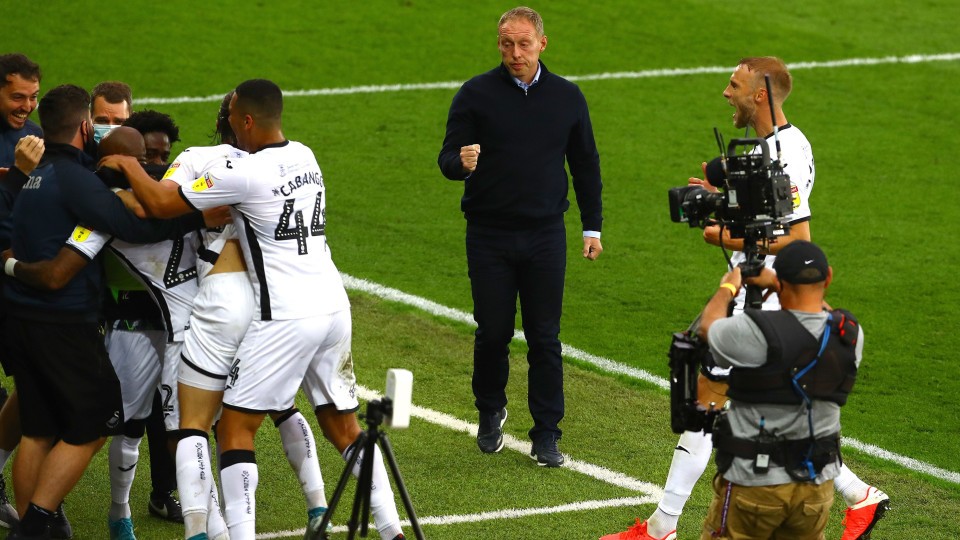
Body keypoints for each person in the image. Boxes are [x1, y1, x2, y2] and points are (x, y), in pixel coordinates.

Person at [601, 57, 887, 540]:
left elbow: (797, 239)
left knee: (708, 405)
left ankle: (660, 528)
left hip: (763, 297)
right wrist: (723, 199)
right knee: (773, 410)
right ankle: (860, 496)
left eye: (734, 85)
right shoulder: (779, 145)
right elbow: (769, 218)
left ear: (761, 93)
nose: (726, 93)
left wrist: (722, 236)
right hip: (760, 291)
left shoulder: (786, 154)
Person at [115, 79, 406, 540]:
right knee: (344, 427)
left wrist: (127, 165)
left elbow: (159, 203)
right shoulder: (306, 156)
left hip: (286, 316)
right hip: (334, 306)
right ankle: (392, 530)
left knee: (232, 428)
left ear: (245, 121)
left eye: (233, 117)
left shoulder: (241, 172)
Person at [0, 84, 206, 540]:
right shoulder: (78, 181)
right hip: (62, 324)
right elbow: (134, 226)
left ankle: (34, 524)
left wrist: (11, 264)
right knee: (97, 422)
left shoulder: (37, 173)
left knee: (38, 427)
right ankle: (37, 522)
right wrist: (199, 212)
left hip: (22, 319)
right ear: (85, 126)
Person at [437, 6, 603, 467]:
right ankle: (490, 410)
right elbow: (447, 157)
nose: (514, 53)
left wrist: (592, 227)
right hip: (488, 235)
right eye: (506, 44)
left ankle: (546, 433)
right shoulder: (475, 94)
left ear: (542, 44)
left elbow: (585, 165)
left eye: (523, 43)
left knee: (545, 338)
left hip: (546, 235)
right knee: (492, 332)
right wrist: (461, 163)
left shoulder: (568, 98)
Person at [696, 240, 862, 538]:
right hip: (815, 489)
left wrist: (729, 287)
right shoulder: (849, 335)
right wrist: (788, 286)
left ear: (779, 281)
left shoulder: (756, 332)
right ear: (829, 278)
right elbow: (822, 314)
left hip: (756, 484)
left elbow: (708, 329)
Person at [0, 52, 42, 530]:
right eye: (17, 96)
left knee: (31, 386)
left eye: (32, 97)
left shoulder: (33, 139)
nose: (25, 106)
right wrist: (15, 176)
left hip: (16, 280)